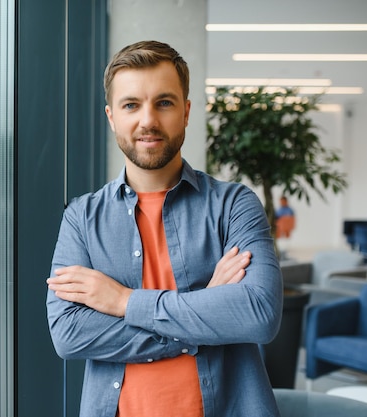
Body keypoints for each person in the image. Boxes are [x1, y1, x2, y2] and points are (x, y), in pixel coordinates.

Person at [46, 40, 283, 417]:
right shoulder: (81, 217)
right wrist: (205, 310)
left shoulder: (234, 205)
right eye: (131, 105)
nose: (148, 121)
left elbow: (258, 313)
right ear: (111, 117)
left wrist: (123, 302)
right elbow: (70, 335)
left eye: (164, 102)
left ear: (186, 111)